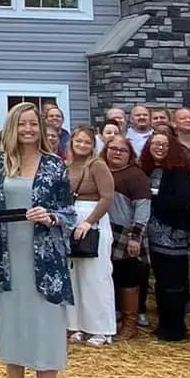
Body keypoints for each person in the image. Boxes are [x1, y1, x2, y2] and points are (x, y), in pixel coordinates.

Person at [0, 103, 77, 378]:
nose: (29, 128)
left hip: (46, 261)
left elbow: (69, 213)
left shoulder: (55, 166)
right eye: (22, 123)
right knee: (15, 331)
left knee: (46, 333)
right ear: (12, 127)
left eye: (34, 123)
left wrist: (51, 217)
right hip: (9, 259)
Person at [63, 126, 117, 344]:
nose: (82, 145)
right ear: (72, 142)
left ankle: (101, 329)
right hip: (70, 219)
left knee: (95, 277)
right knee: (73, 275)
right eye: (79, 141)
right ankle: (76, 325)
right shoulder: (66, 165)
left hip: (92, 221)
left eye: (87, 142)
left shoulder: (97, 165)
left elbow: (107, 197)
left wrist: (89, 221)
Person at [143, 133, 190, 341]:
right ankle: (163, 324)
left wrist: (153, 198)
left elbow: (181, 201)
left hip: (174, 234)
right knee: (161, 283)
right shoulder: (146, 169)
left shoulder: (181, 171)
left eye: (164, 144)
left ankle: (175, 329)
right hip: (152, 235)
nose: (160, 148)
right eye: (155, 144)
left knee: (174, 284)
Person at [103, 135, 152, 339]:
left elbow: (142, 207)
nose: (116, 153)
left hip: (126, 232)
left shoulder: (135, 175)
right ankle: (112, 319)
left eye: (122, 150)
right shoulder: (99, 170)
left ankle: (130, 324)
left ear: (130, 154)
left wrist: (135, 236)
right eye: (112, 148)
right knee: (109, 277)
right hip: (104, 230)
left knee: (128, 278)